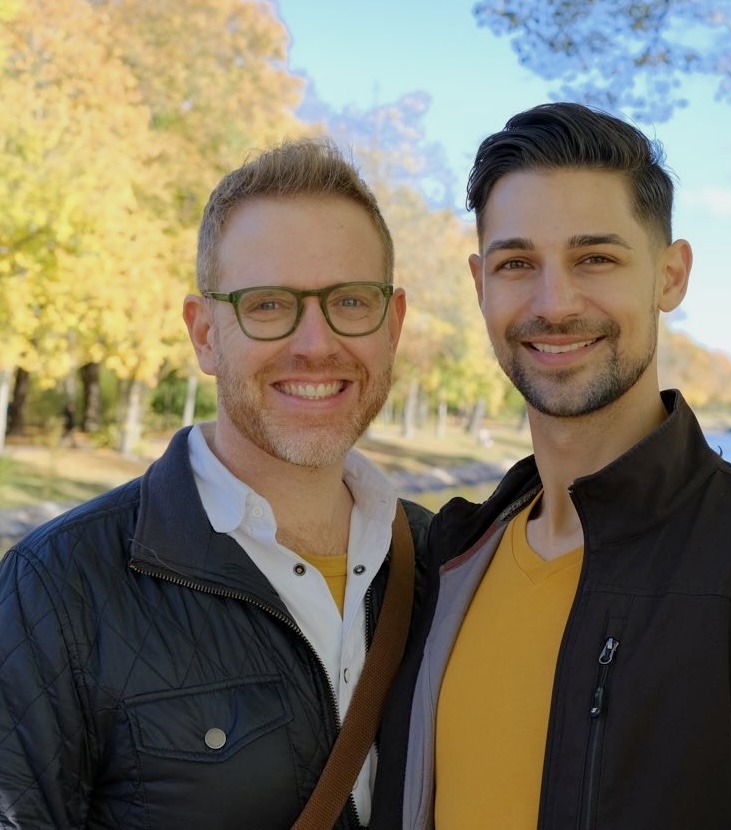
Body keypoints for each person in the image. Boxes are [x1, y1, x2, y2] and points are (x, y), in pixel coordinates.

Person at [373, 103, 731, 829]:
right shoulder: (445, 566)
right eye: (517, 263)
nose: (554, 303)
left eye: (595, 258)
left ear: (670, 276)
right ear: (479, 284)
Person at [0, 137, 431, 829]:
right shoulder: (56, 588)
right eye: (267, 305)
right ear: (204, 334)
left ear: (393, 323)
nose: (315, 343)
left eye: (350, 301)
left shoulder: (454, 562)